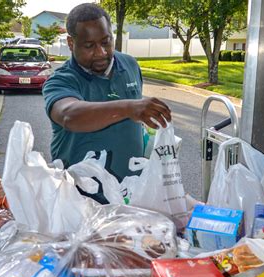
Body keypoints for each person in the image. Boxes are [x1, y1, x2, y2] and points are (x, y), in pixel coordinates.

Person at [42, 3, 171, 181]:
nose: (101, 52)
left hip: (130, 190)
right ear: (71, 43)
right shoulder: (61, 80)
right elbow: (68, 115)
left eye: (106, 42)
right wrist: (128, 108)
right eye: (89, 45)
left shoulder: (130, 64)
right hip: (78, 195)